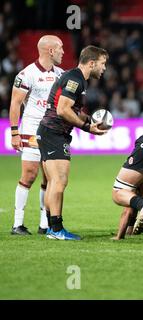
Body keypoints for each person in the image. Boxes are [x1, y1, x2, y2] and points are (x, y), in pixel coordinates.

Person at [36, 45, 109, 240]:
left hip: (50, 133)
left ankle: (53, 228)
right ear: (91, 63)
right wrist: (86, 128)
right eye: (102, 64)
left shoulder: (77, 79)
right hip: (54, 134)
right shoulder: (75, 79)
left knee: (54, 181)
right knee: (59, 181)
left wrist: (89, 121)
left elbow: (72, 109)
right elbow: (63, 109)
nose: (104, 68)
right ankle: (57, 229)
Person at [9, 35, 64, 235]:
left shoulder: (61, 74)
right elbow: (15, 103)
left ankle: (44, 223)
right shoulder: (27, 74)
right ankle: (17, 223)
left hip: (52, 131)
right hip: (31, 129)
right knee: (29, 174)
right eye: (60, 48)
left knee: (48, 177)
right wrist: (15, 132)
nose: (63, 52)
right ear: (50, 50)